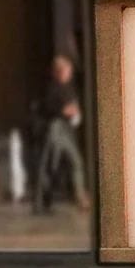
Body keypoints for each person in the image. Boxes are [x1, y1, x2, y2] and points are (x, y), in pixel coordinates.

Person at [37, 55, 90, 211]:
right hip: (57, 129)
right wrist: (63, 111)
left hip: (67, 129)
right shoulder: (53, 88)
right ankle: (44, 200)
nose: (69, 73)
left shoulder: (69, 88)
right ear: (59, 72)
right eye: (66, 71)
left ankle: (79, 197)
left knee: (71, 163)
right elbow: (47, 107)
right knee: (54, 165)